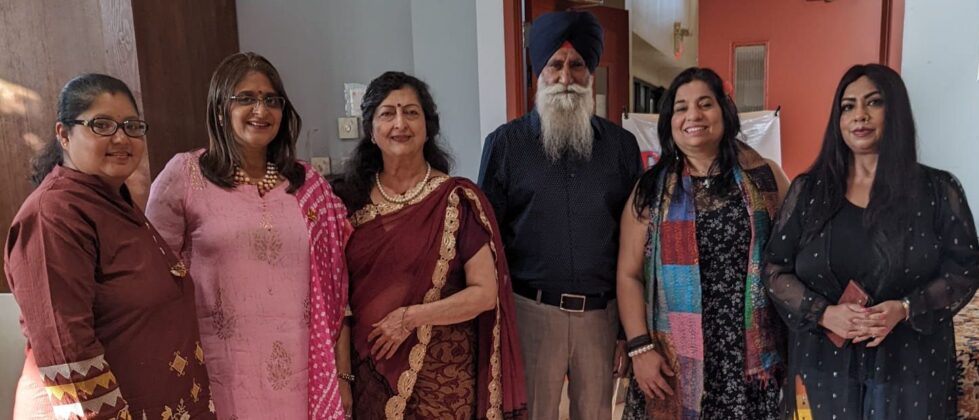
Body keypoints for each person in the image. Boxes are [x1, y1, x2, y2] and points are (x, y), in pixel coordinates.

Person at [764, 64, 979, 419]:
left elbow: (965, 270)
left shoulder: (937, 191)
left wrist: (907, 308)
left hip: (910, 364)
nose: (859, 116)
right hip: (822, 365)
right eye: (847, 106)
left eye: (873, 102)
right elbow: (775, 268)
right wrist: (823, 314)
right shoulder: (810, 192)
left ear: (895, 112)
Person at [146, 52, 352, 419]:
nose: (261, 110)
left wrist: (343, 374)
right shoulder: (186, 176)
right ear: (220, 107)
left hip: (305, 375)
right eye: (246, 98)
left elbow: (338, 290)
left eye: (272, 100)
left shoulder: (307, 185)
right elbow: (155, 283)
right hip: (220, 373)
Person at [5, 74, 215, 419]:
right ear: (63, 134)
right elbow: (67, 348)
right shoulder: (53, 215)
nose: (121, 138)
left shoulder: (112, 202)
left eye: (132, 126)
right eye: (102, 125)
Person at [333, 71, 527, 419]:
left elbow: (484, 292)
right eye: (387, 113)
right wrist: (342, 376)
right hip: (368, 372)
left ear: (428, 125)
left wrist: (411, 318)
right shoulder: (346, 201)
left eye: (411, 112)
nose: (400, 124)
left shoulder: (456, 200)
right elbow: (336, 300)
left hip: (443, 377)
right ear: (371, 129)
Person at [478, 10, 642, 419]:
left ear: (591, 72)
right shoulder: (506, 145)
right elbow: (485, 241)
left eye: (577, 65)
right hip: (530, 314)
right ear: (539, 72)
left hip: (601, 318)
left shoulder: (621, 147)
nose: (566, 78)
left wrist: (628, 332)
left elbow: (637, 243)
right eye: (555, 65)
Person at [616, 67, 789, 419]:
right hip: (671, 358)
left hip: (747, 361)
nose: (693, 115)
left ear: (724, 112)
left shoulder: (766, 177)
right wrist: (640, 349)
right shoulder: (649, 190)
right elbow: (628, 275)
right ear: (670, 121)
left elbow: (794, 258)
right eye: (681, 108)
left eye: (705, 104)